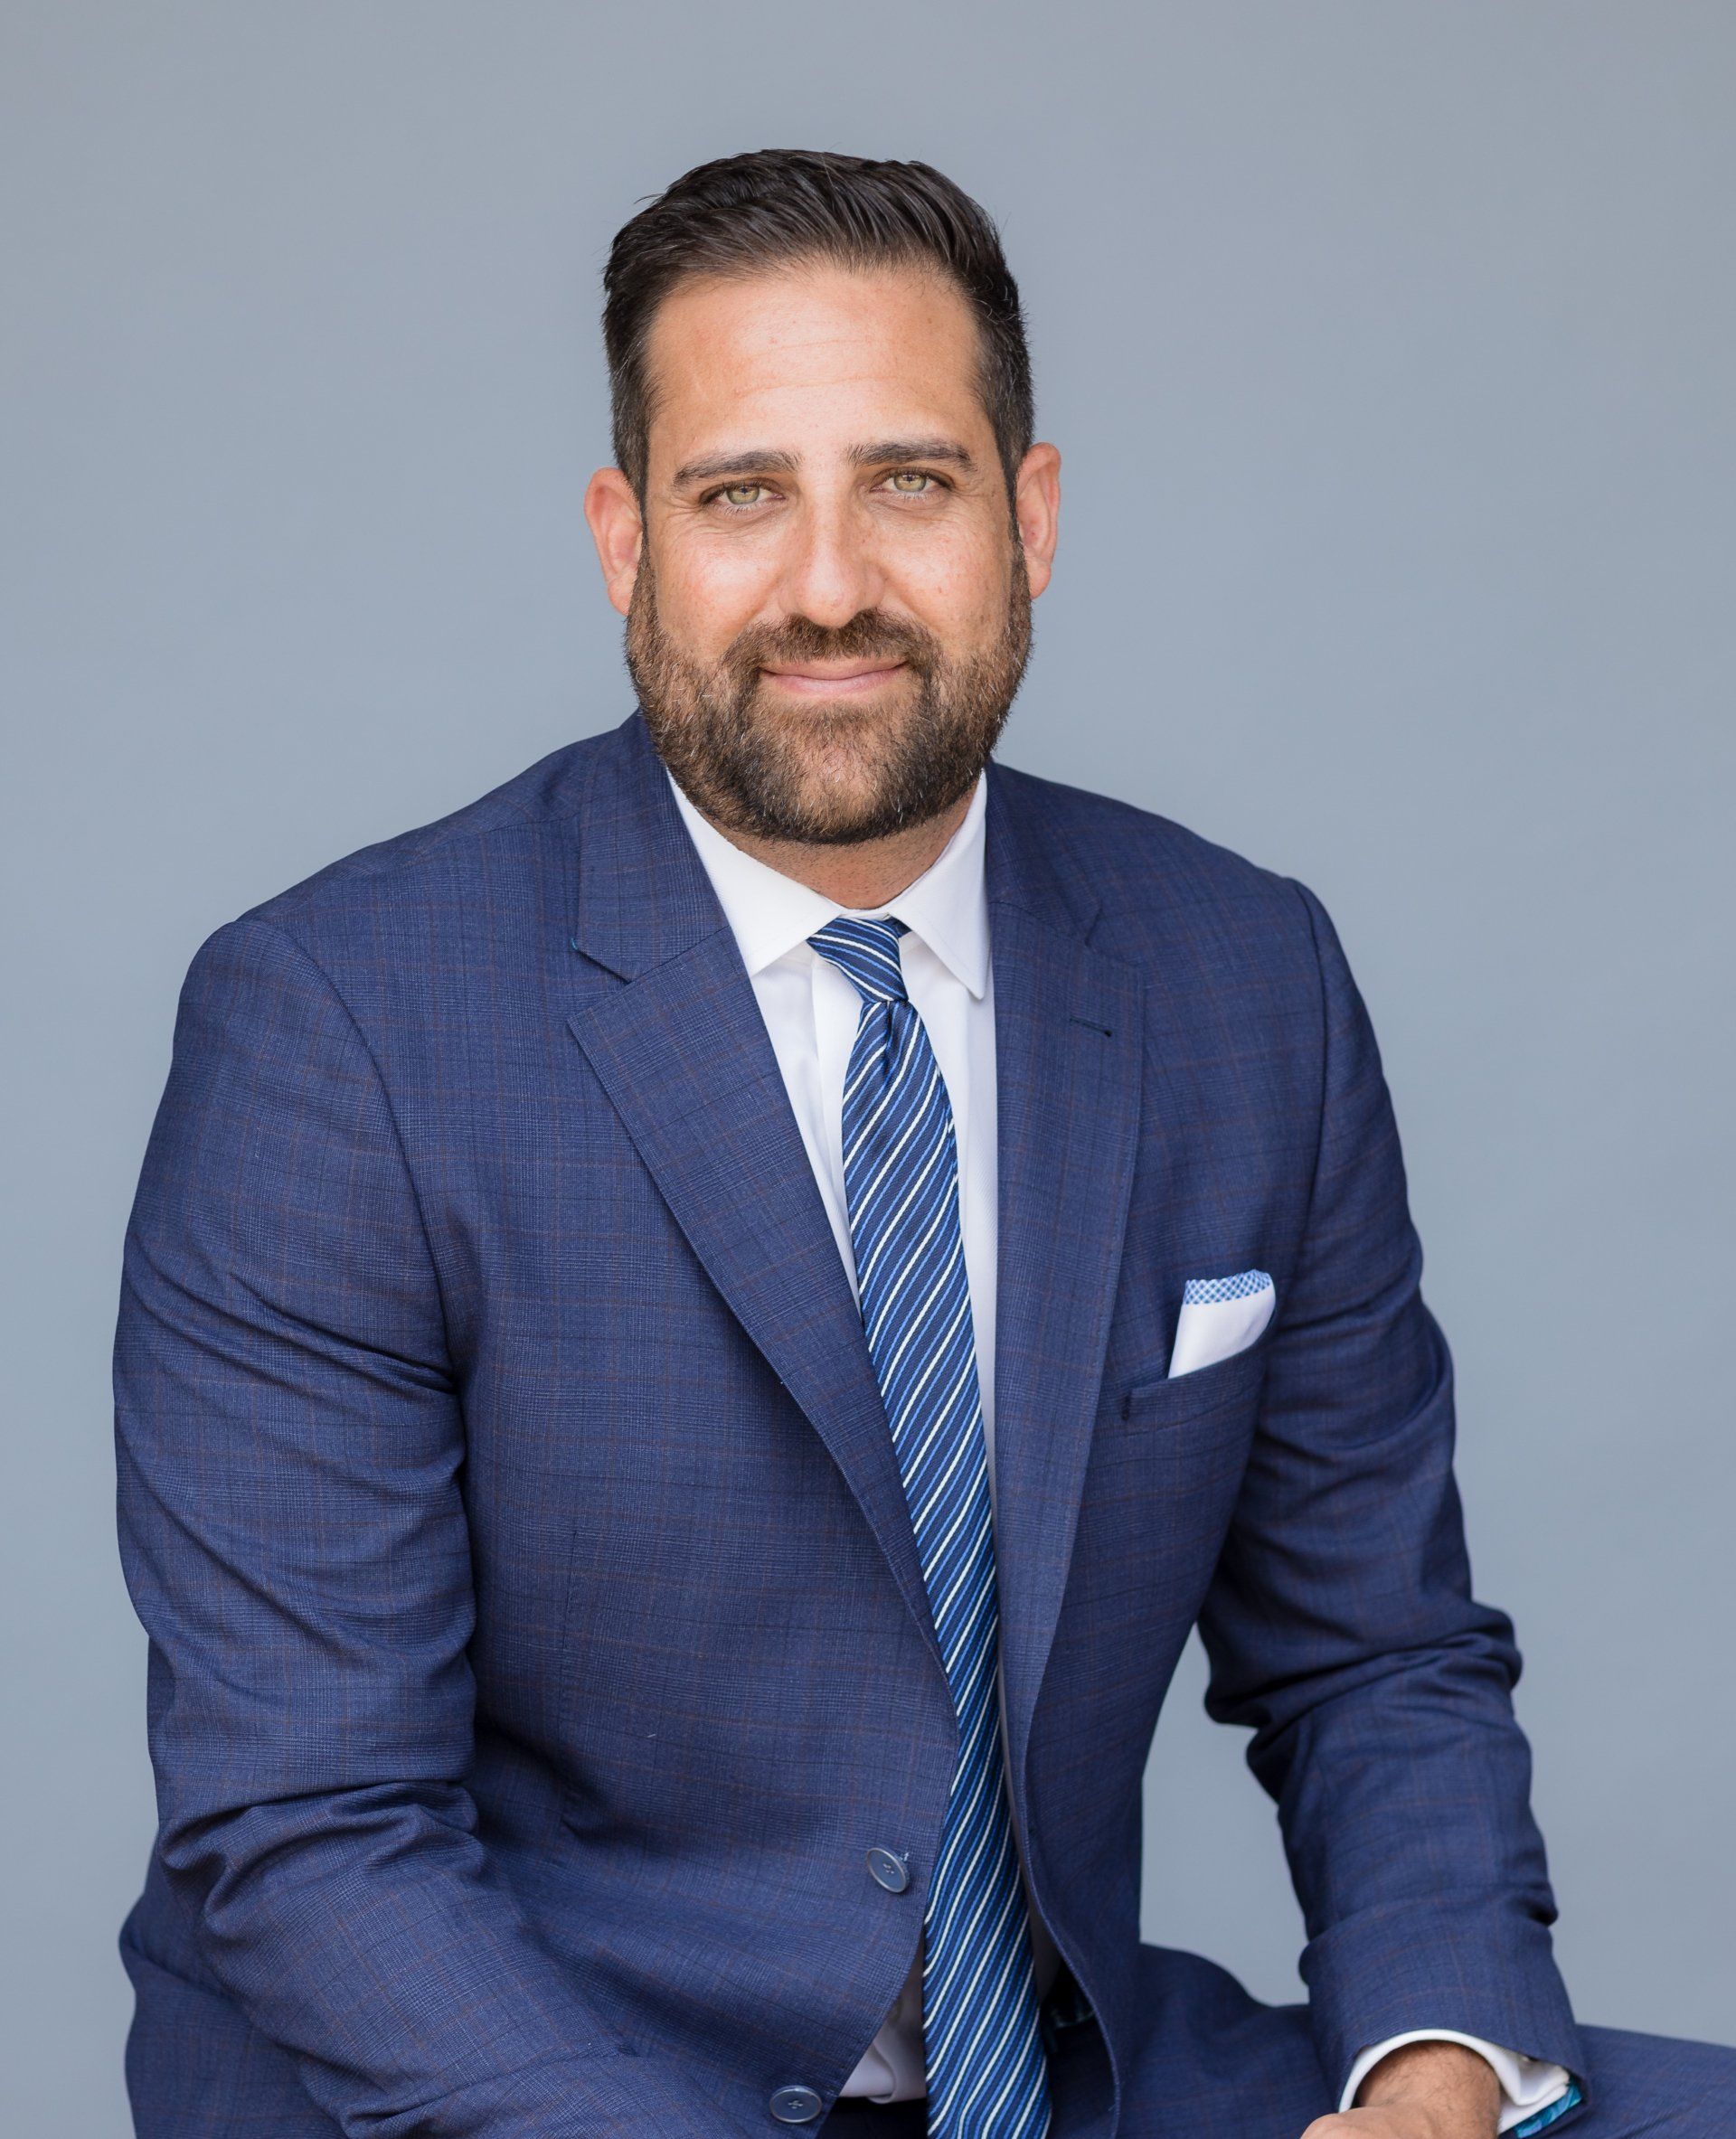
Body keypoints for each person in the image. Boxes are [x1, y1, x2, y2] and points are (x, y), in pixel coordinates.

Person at [112, 149, 1732, 2139]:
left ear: (1028, 518)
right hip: (521, 2082)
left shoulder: (1246, 978)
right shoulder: (342, 1026)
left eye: (910, 480)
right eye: (739, 495)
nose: (828, 584)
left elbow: (1378, 1658)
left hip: (1046, 2079)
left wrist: (1426, 2076)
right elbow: (315, 1834)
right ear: (623, 541)